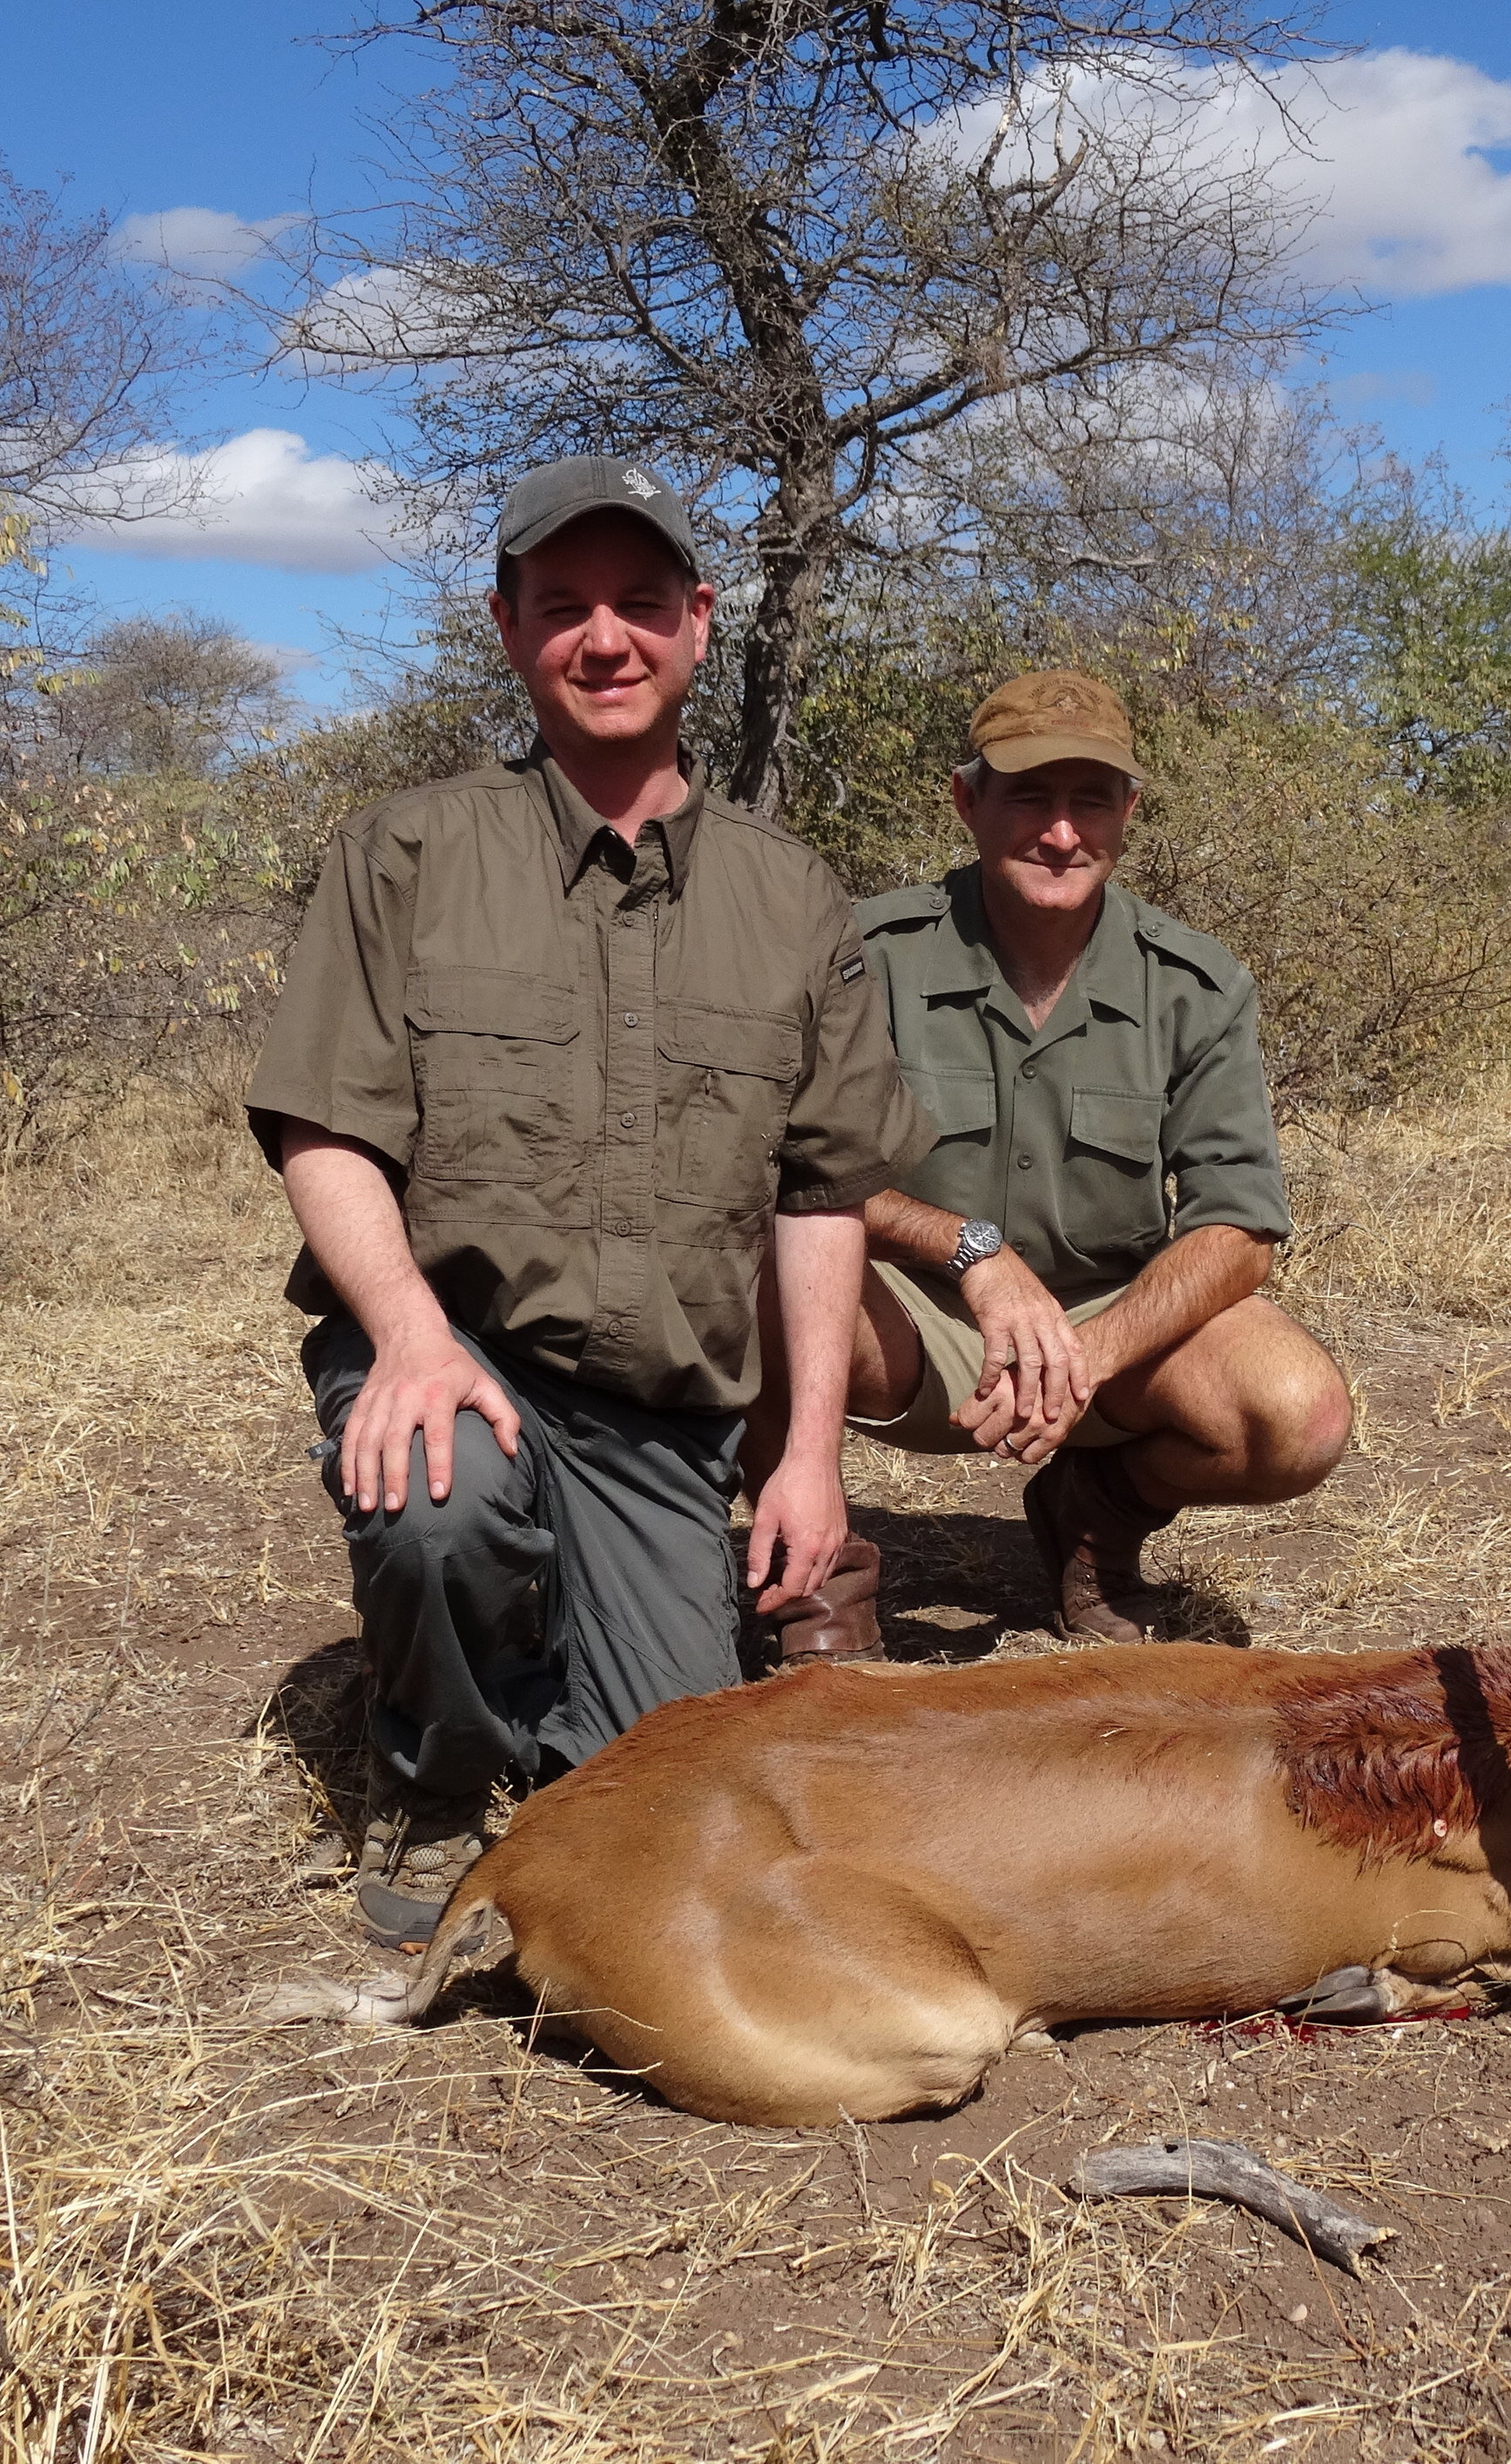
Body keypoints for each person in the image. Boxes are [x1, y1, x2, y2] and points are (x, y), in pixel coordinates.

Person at [246, 455, 931, 1944]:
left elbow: (820, 1194)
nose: (602, 639)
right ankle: (436, 1775)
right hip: (455, 1345)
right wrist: (411, 1343)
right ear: (506, 628)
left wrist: (808, 1454)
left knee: (668, 1800)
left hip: (652, 1411)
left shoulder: (790, 896)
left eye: (637, 604)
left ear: (697, 624)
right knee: (441, 1508)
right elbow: (324, 1128)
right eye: (561, 607)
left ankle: (539, 1651)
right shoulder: (406, 852)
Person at [747, 669, 1352, 1648]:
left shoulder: (1196, 984)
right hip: (903, 1318)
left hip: (1105, 1343)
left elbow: (1239, 1231)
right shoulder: (866, 951)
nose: (1061, 832)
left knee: (1299, 1412)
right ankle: (819, 1583)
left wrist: (1094, 1357)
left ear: (1129, 810)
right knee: (741, 1281)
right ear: (968, 801)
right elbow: (781, 1168)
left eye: (1091, 800)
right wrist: (971, 1253)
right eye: (1029, 795)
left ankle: (1096, 1515)